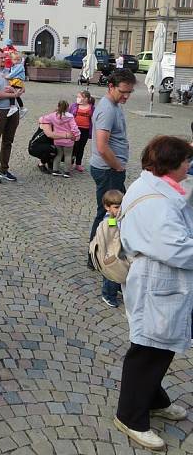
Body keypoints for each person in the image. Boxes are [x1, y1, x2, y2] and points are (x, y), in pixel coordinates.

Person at [114, 135, 193, 451]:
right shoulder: (155, 202)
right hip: (156, 281)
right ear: (170, 166)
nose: (189, 166)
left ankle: (154, 398)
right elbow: (173, 247)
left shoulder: (157, 187)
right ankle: (130, 416)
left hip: (164, 281)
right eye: (186, 161)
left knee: (159, 346)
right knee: (147, 349)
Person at [88, 69, 137, 303]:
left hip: (111, 169)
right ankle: (98, 253)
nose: (127, 96)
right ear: (111, 87)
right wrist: (117, 166)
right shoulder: (107, 109)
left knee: (109, 214)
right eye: (124, 91)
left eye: (129, 92)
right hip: (108, 170)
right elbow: (101, 146)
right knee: (108, 214)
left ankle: (95, 253)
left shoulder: (114, 105)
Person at [0, 48, 24, 183]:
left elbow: (21, 87)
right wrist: (13, 94)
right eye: (1, 57)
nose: (4, 60)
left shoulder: (9, 71)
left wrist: (18, 90)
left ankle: (4, 169)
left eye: (4, 58)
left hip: (12, 110)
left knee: (8, 141)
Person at [93, 188, 124, 307]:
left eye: (121, 206)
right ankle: (108, 294)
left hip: (118, 250)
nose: (119, 209)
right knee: (111, 275)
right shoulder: (110, 219)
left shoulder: (118, 216)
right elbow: (113, 233)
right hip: (110, 252)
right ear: (107, 207)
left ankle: (117, 288)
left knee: (119, 271)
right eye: (116, 207)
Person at [39, 100, 80, 177]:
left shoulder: (53, 115)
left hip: (57, 139)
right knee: (68, 155)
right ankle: (67, 172)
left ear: (58, 106)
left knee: (58, 155)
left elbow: (43, 119)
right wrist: (77, 136)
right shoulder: (70, 116)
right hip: (68, 139)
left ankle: (55, 170)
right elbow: (74, 128)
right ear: (67, 107)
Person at [69, 90, 95, 172]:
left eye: (80, 97)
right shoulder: (73, 106)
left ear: (86, 99)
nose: (78, 98)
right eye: (77, 97)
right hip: (75, 129)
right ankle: (70, 163)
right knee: (73, 146)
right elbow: (68, 116)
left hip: (85, 130)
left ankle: (78, 164)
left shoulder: (92, 108)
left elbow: (94, 119)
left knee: (81, 147)